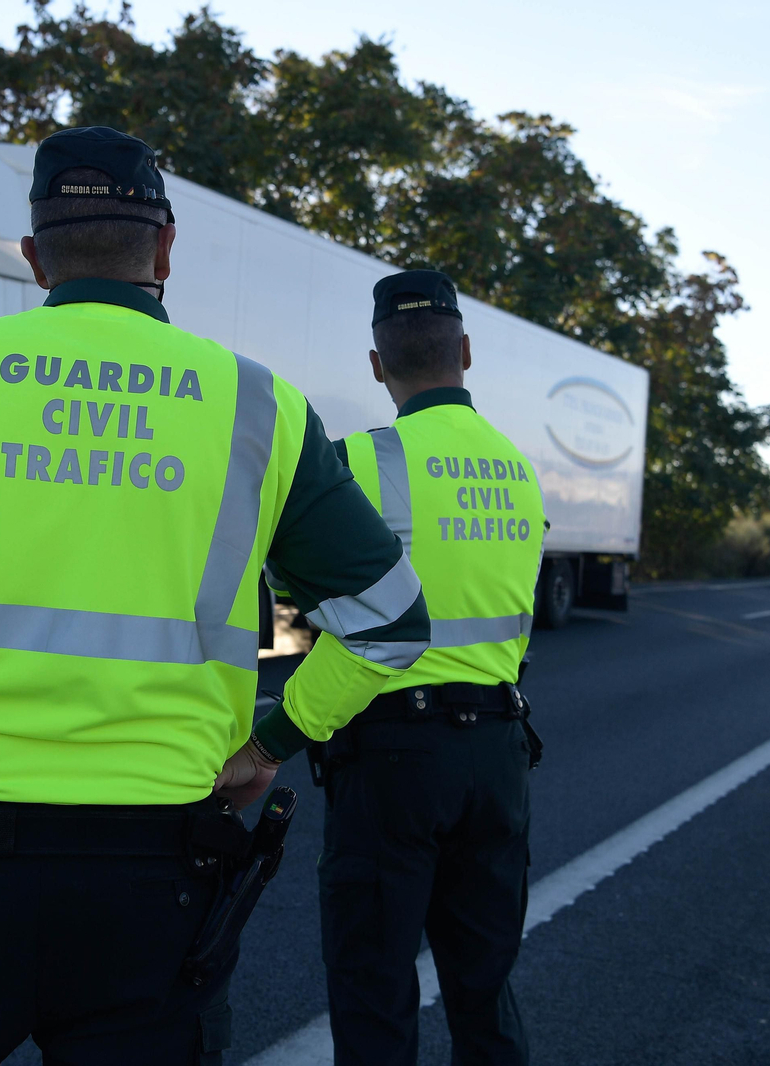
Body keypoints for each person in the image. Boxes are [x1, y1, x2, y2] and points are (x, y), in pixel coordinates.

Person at [0, 126, 430, 1066]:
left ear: (35, 256)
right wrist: (269, 742)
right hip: (155, 874)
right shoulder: (258, 404)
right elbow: (391, 625)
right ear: (164, 251)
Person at [313, 270, 546, 1065]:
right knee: (485, 990)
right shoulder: (517, 469)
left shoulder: (357, 462)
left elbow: (301, 595)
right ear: (467, 353)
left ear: (377, 365)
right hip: (500, 750)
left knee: (375, 989)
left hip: (392, 759)